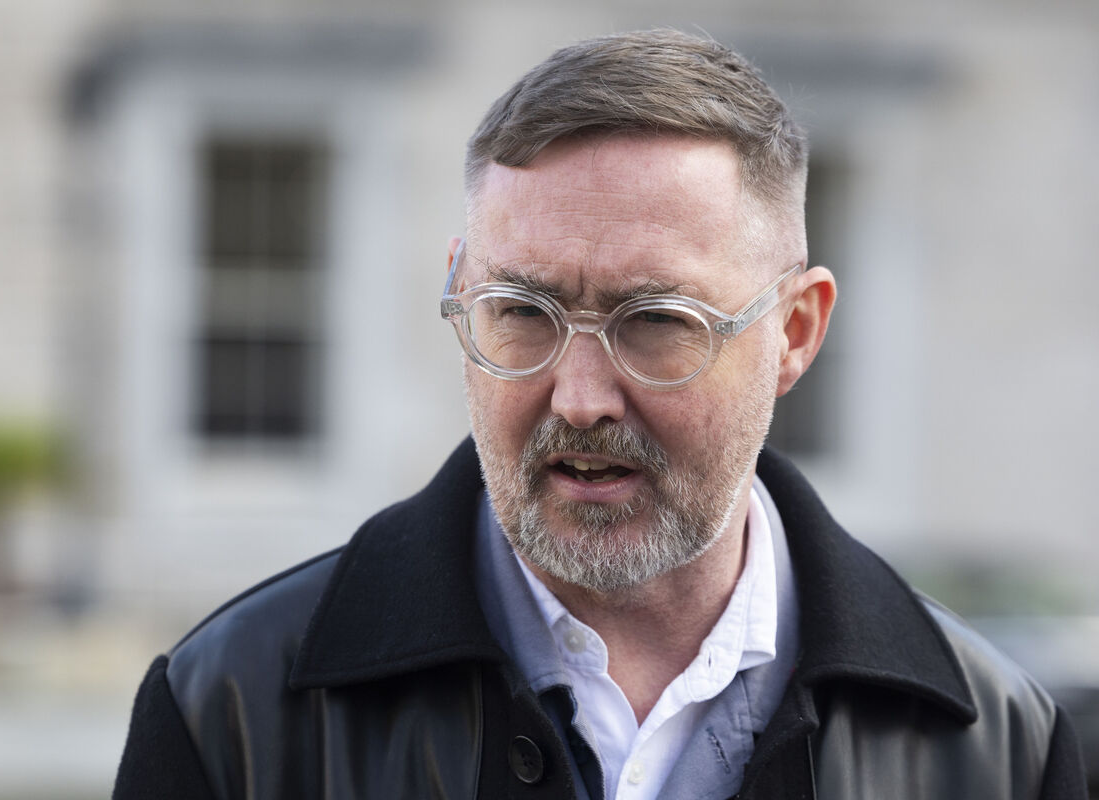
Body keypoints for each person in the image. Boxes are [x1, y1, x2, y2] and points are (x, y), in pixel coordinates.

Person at [113, 29, 1087, 799]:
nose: (578, 397)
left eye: (657, 320)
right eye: (522, 313)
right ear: (460, 293)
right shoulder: (228, 715)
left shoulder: (999, 748)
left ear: (795, 331)